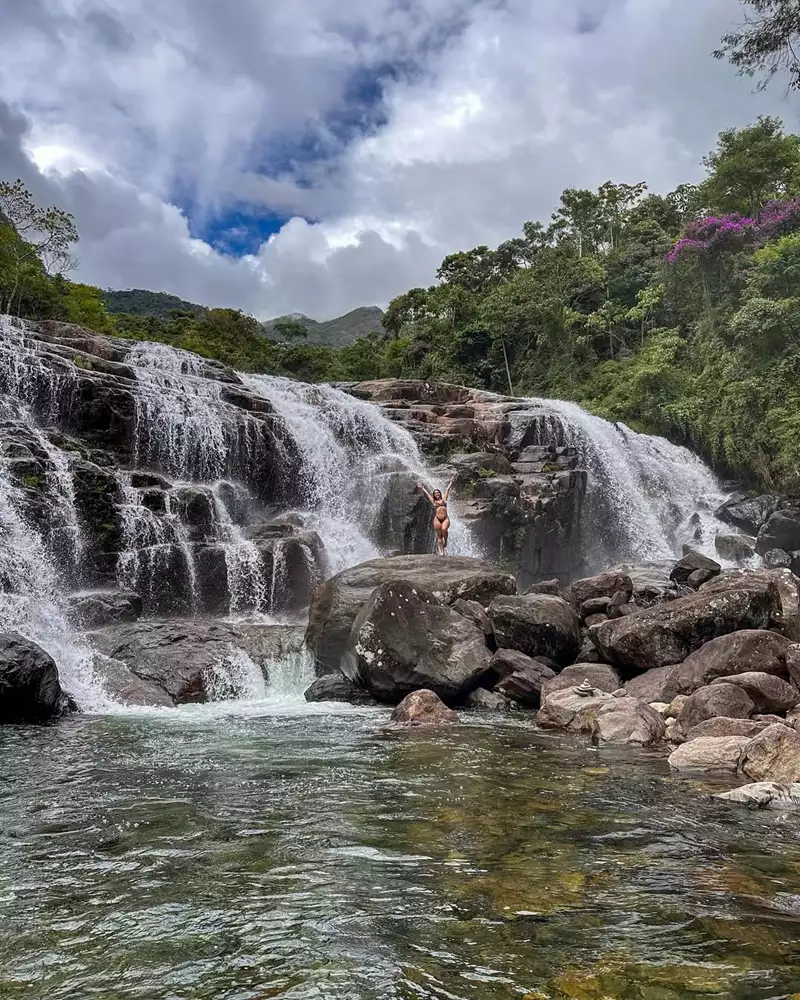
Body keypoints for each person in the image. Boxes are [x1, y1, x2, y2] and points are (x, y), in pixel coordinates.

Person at [417, 477, 455, 555]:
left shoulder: (444, 499)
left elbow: (447, 490)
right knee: (439, 536)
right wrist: (422, 488)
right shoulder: (434, 501)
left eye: (438, 492)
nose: (436, 494)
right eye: (435, 493)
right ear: (434, 495)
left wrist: (451, 482)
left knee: (444, 529)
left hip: (445, 518)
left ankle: (446, 540)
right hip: (437, 519)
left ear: (440, 493)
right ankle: (441, 551)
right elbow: (427, 494)